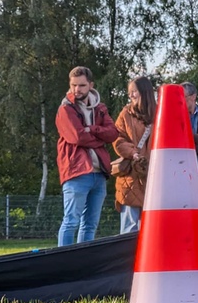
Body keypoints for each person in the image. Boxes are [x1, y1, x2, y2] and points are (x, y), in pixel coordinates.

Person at [56, 66, 118, 246]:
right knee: (71, 222)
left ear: (91, 85)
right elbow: (77, 137)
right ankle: (63, 265)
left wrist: (92, 129)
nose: (77, 89)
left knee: (90, 225)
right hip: (76, 172)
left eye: (82, 85)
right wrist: (100, 139)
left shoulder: (100, 108)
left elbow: (113, 133)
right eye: (74, 85)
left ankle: (84, 264)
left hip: (99, 174)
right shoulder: (65, 109)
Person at [113, 76, 156, 233]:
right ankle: (127, 257)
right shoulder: (125, 114)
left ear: (144, 93)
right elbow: (117, 138)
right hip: (131, 175)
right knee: (129, 227)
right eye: (129, 92)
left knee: (152, 227)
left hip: (154, 175)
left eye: (134, 92)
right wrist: (133, 153)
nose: (130, 95)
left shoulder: (160, 114)